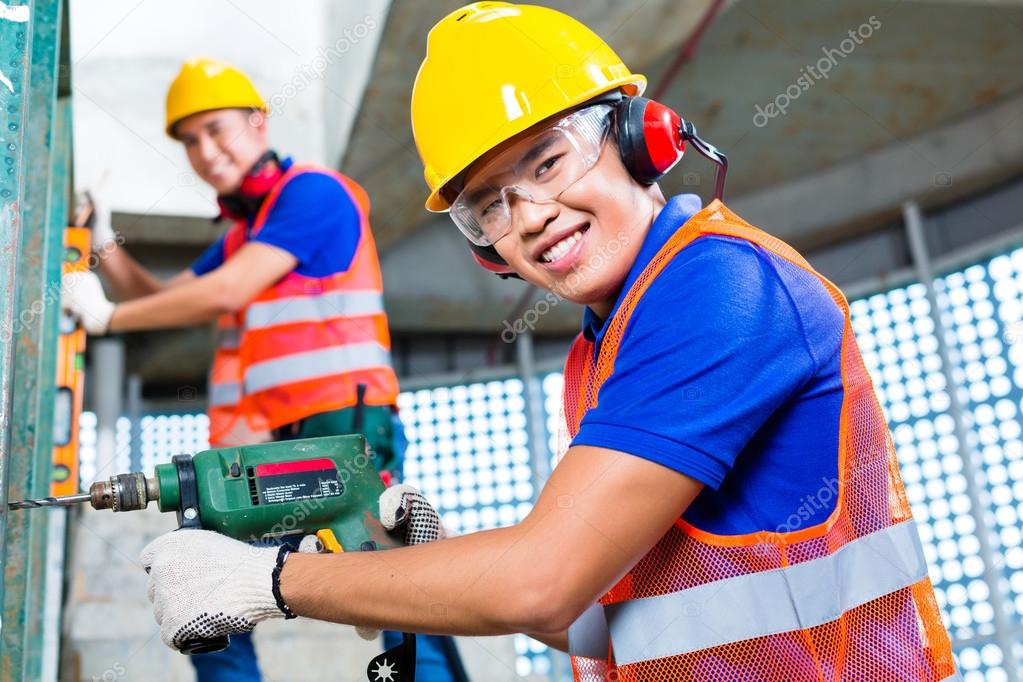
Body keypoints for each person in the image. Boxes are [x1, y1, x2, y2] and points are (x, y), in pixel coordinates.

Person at [137, 7, 959, 681]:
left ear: (643, 139)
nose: (526, 215)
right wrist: (429, 565)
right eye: (489, 205)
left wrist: (269, 582)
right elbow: (607, 623)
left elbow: (540, 584)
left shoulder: (719, 289)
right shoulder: (604, 346)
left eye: (547, 162)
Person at [63, 57, 461, 682]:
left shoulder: (313, 193)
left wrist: (106, 319)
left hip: (340, 431)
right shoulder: (245, 232)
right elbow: (164, 298)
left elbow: (223, 293)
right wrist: (106, 245)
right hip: (264, 445)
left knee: (399, 593)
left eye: (216, 129)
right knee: (205, 585)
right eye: (189, 140)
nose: (204, 150)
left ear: (257, 123)